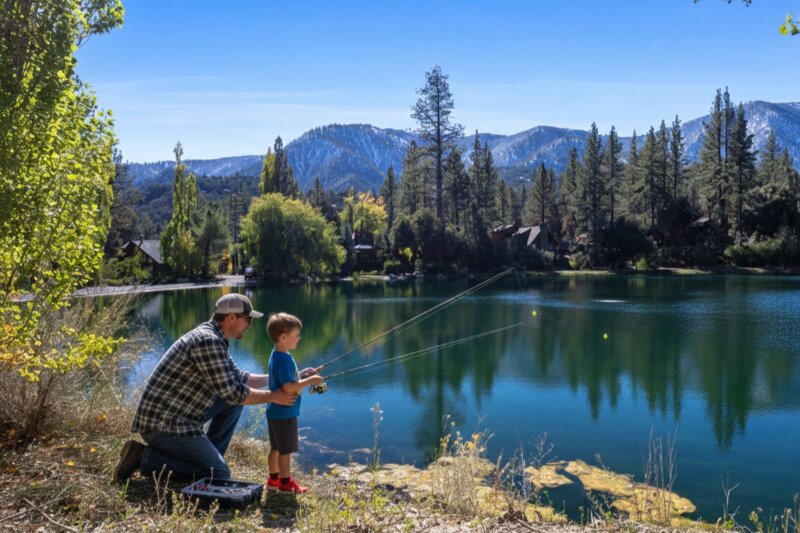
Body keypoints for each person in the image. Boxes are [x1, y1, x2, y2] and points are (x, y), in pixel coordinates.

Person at [113, 293, 296, 483]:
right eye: (247, 319)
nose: (250, 325)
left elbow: (239, 378)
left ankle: (210, 457)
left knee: (231, 404)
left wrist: (283, 379)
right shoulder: (208, 341)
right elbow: (234, 393)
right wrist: (274, 396)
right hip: (162, 425)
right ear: (231, 317)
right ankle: (144, 457)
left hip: (178, 416)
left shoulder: (216, 337)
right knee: (218, 475)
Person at [265, 312, 325, 494]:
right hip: (285, 413)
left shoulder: (279, 355)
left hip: (275, 412)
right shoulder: (282, 359)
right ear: (284, 337)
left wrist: (303, 374)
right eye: (296, 335)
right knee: (285, 451)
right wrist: (310, 381)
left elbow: (289, 379)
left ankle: (273, 479)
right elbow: (289, 387)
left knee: (276, 447)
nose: (299, 338)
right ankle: (285, 483)